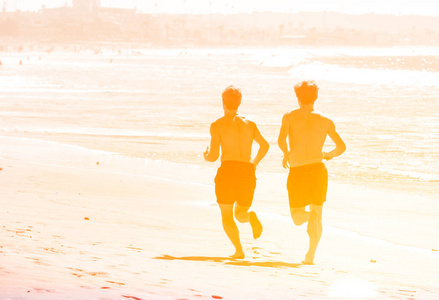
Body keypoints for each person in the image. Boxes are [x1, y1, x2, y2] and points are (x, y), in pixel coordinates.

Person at [278, 80, 346, 265]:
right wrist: (328, 155)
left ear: (297, 97)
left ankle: (310, 217)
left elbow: (281, 140)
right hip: (318, 169)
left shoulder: (289, 117)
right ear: (316, 97)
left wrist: (286, 154)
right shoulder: (325, 120)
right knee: (318, 214)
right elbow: (341, 146)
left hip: (298, 169)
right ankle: (310, 256)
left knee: (297, 217)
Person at [204, 85, 269, 259]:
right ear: (239, 102)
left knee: (227, 216)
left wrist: (206, 155)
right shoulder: (250, 124)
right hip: (247, 170)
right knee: (240, 214)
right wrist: (254, 163)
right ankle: (250, 216)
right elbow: (265, 146)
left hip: (228, 170)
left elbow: (214, 156)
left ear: (222, 102)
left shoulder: (217, 125)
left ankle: (239, 250)